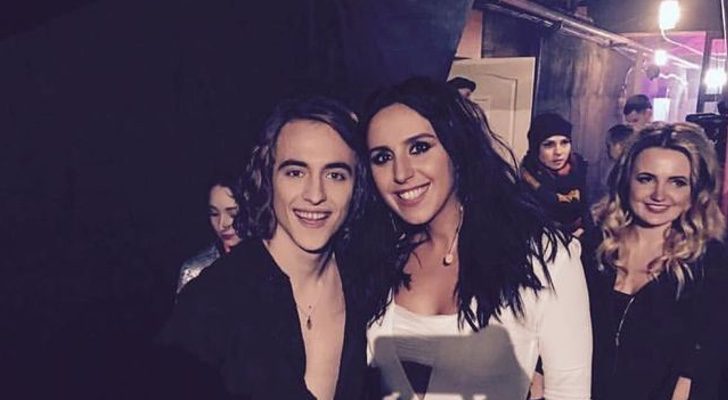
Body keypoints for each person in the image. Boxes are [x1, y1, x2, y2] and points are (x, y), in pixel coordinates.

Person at [359, 77, 591, 399]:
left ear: (457, 148)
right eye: (382, 157)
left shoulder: (543, 257)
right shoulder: (380, 252)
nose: (401, 173)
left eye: (419, 148)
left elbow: (569, 392)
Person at [158, 96, 369, 399]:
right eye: (295, 172)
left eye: (335, 175)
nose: (315, 194)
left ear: (356, 187)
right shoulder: (214, 299)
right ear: (267, 178)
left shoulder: (366, 284)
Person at [584, 122, 728, 399]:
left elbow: (706, 360)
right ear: (626, 180)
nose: (659, 195)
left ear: (695, 191)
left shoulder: (713, 263)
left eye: (677, 182)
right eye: (646, 179)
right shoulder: (591, 249)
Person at [521, 112, 589, 236]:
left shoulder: (579, 173)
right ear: (536, 148)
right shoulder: (525, 187)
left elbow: (587, 216)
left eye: (564, 142)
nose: (558, 152)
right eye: (549, 144)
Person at [177, 173, 242, 293]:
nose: (222, 224)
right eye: (214, 214)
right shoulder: (195, 271)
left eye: (233, 214)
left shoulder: (272, 261)